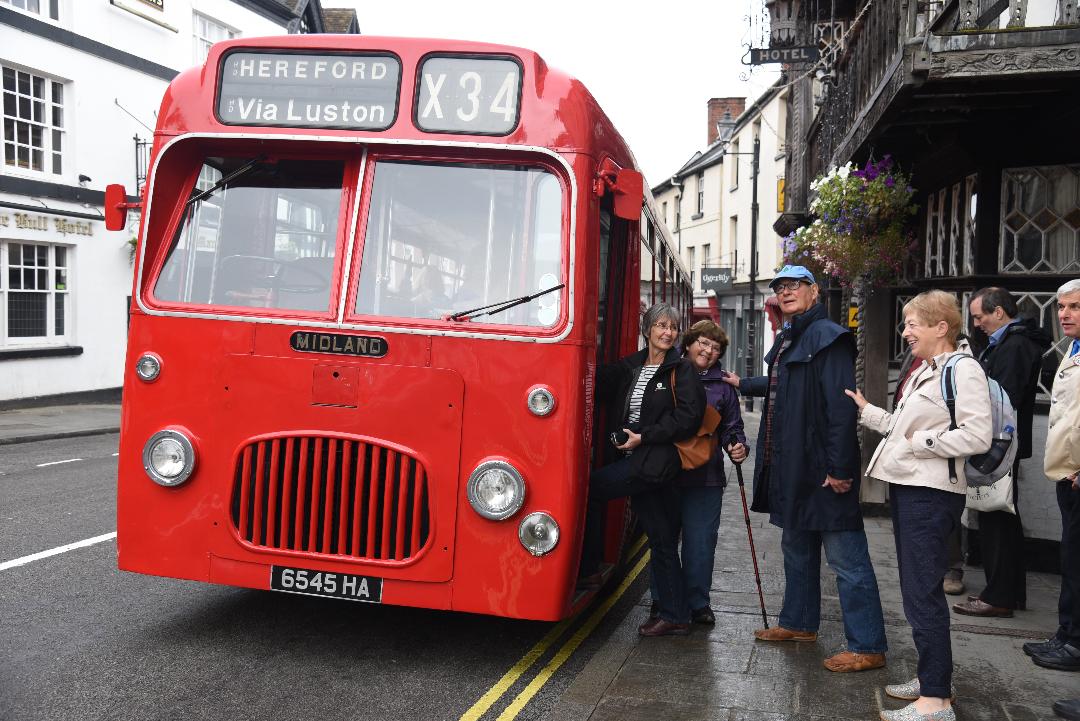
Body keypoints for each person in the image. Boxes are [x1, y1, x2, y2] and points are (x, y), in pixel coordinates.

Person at [721, 265, 887, 673]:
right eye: (780, 287)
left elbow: (840, 407)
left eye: (794, 286)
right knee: (796, 552)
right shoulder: (792, 335)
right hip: (792, 470)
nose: (785, 292)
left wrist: (840, 468)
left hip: (823, 472)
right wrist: (743, 384)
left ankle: (868, 645)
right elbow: (784, 385)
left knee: (847, 561)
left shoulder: (830, 338)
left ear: (814, 291)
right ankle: (798, 624)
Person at [847, 290, 993, 721]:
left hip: (931, 494)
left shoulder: (964, 371)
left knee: (921, 594)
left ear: (941, 327)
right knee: (918, 590)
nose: (906, 331)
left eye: (913, 324)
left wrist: (920, 443)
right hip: (912, 488)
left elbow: (977, 435)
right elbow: (902, 427)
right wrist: (869, 412)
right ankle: (935, 676)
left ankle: (934, 701)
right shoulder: (925, 370)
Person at [580, 302, 705, 636]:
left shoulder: (682, 368)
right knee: (661, 538)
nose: (668, 332)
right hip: (639, 461)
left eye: (673, 327)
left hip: (656, 463)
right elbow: (592, 377)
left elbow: (688, 419)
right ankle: (674, 612)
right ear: (647, 329)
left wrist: (643, 437)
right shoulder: (633, 365)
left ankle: (590, 569)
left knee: (591, 490)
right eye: (661, 325)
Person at [952, 287, 1051, 618]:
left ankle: (1000, 596)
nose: (976, 323)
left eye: (980, 316)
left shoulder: (1014, 345)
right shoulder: (1005, 344)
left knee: (998, 520)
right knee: (1000, 518)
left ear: (999, 313)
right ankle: (1008, 592)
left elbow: (1000, 401)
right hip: (1003, 444)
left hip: (1000, 447)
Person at [647, 320, 748, 625]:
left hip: (705, 477)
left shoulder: (723, 387)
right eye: (703, 343)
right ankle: (662, 600)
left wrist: (737, 446)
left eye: (716, 348)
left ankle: (697, 603)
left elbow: (733, 427)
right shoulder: (666, 371)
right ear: (689, 343)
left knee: (701, 543)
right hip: (664, 473)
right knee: (663, 541)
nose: (708, 351)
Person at [1028, 279, 1080, 721]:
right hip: (1067, 472)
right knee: (1072, 560)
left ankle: (1074, 641)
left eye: (1075, 307)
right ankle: (1066, 635)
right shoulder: (1072, 350)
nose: (1064, 314)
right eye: (1061, 307)